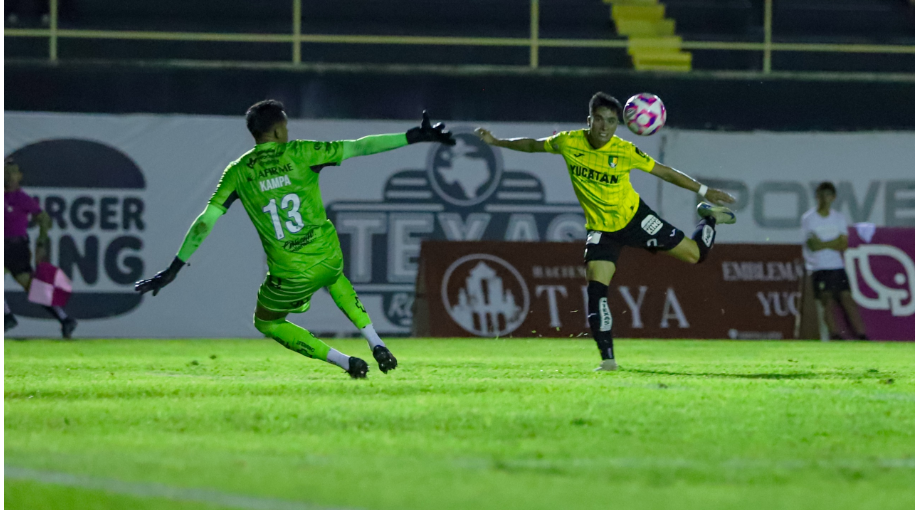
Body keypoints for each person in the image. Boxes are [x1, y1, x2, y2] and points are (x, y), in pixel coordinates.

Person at [135, 102, 456, 378]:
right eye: (285, 126)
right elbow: (361, 146)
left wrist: (174, 268)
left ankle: (344, 362)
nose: (287, 131)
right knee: (334, 276)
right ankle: (375, 340)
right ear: (276, 131)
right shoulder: (302, 153)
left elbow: (206, 220)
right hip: (328, 255)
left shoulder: (238, 172)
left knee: (266, 322)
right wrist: (415, 135)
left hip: (289, 272)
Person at [475, 93, 736, 371]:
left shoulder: (624, 150)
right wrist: (496, 141)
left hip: (636, 219)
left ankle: (709, 219)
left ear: (617, 124)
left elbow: (665, 172)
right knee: (596, 292)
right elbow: (532, 145)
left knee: (696, 256)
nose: (604, 127)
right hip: (601, 231)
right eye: (599, 120)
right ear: (589, 120)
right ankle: (608, 360)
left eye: (611, 121)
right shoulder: (569, 142)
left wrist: (705, 191)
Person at [4, 158, 78, 338]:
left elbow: (44, 219)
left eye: (12, 172)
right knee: (30, 286)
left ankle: (7, 317)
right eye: (5, 171)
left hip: (16, 247)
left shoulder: (23, 199)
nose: (8, 176)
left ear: (19, 176)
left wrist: (41, 243)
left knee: (32, 287)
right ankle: (64, 319)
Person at [801, 182, 868, 340]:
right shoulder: (809, 218)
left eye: (828, 195)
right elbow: (812, 245)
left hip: (837, 266)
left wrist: (823, 243)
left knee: (847, 298)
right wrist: (833, 242)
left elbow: (843, 244)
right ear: (817, 197)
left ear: (833, 197)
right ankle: (835, 334)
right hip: (819, 267)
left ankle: (861, 335)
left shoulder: (838, 218)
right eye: (822, 195)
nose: (825, 199)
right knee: (827, 300)